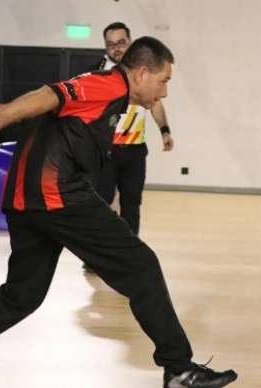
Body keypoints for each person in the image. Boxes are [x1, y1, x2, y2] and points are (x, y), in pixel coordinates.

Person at [0, 36, 237, 388]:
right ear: (141, 73)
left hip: (27, 200)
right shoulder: (105, 84)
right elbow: (46, 96)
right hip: (56, 196)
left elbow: (22, 104)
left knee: (22, 296)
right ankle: (179, 369)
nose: (165, 92)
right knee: (141, 266)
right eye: (164, 80)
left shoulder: (111, 93)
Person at [93, 22, 175, 237]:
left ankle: (130, 252)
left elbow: (156, 102)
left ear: (130, 42)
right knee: (100, 202)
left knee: (131, 204)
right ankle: (96, 255)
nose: (116, 49)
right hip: (106, 151)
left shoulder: (143, 74)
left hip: (134, 150)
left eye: (121, 43)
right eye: (110, 45)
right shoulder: (101, 74)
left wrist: (164, 131)